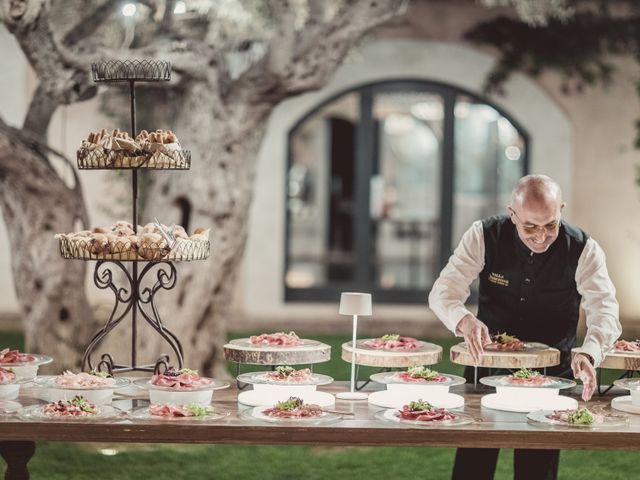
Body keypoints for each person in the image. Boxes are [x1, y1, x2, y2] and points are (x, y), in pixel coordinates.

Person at [428, 174, 621, 480]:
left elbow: (605, 310)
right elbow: (443, 292)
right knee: (472, 468)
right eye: (530, 226)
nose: (541, 236)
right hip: (485, 367)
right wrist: (462, 319)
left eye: (551, 225)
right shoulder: (484, 235)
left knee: (537, 470)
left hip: (551, 377)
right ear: (512, 213)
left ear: (561, 210)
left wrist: (590, 352)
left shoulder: (584, 248)